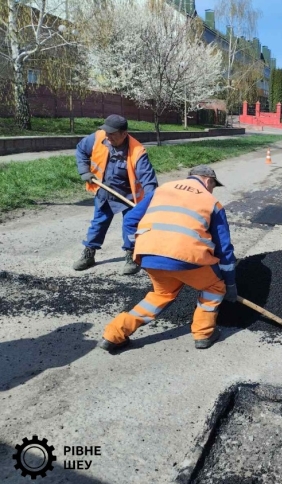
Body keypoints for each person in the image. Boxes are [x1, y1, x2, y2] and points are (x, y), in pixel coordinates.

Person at [98, 165, 237, 352]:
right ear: (207, 180)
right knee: (214, 287)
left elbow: (130, 220)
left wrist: (134, 247)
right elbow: (224, 249)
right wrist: (230, 284)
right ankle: (204, 333)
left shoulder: (161, 190)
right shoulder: (211, 201)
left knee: (160, 295)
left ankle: (114, 334)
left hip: (149, 256)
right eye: (212, 185)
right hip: (188, 258)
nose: (211, 189)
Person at [73, 114, 158, 275]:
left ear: (124, 134)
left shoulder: (137, 151)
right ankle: (89, 254)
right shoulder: (98, 138)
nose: (108, 136)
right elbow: (81, 150)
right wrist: (84, 171)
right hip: (104, 190)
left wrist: (152, 203)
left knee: (131, 226)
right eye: (106, 132)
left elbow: (148, 181)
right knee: (98, 223)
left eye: (112, 134)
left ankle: (131, 256)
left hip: (128, 195)